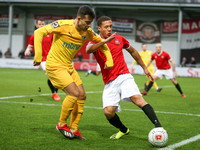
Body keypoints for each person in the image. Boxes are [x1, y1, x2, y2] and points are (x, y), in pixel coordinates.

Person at [33, 5, 115, 140]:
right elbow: (38, 32)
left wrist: (109, 60)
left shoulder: (87, 31)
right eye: (87, 22)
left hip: (68, 67)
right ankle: (61, 124)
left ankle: (74, 128)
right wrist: (38, 56)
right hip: (54, 65)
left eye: (90, 23)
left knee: (82, 96)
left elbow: (103, 43)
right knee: (74, 94)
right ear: (78, 19)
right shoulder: (62, 24)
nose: (89, 26)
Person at [86, 16, 163, 139]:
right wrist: (103, 42)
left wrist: (144, 67)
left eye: (110, 26)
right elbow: (88, 50)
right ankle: (124, 130)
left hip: (124, 76)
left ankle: (159, 128)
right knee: (108, 112)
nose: (109, 29)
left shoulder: (119, 39)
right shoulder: (95, 40)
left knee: (137, 99)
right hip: (109, 82)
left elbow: (132, 51)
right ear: (99, 28)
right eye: (106, 27)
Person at [25, 19, 61, 101]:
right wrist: (27, 50)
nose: (41, 25)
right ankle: (54, 93)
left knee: (57, 78)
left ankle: (55, 92)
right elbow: (30, 46)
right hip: (43, 60)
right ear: (37, 26)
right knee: (50, 77)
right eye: (40, 24)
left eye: (43, 24)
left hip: (53, 58)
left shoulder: (50, 34)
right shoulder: (34, 36)